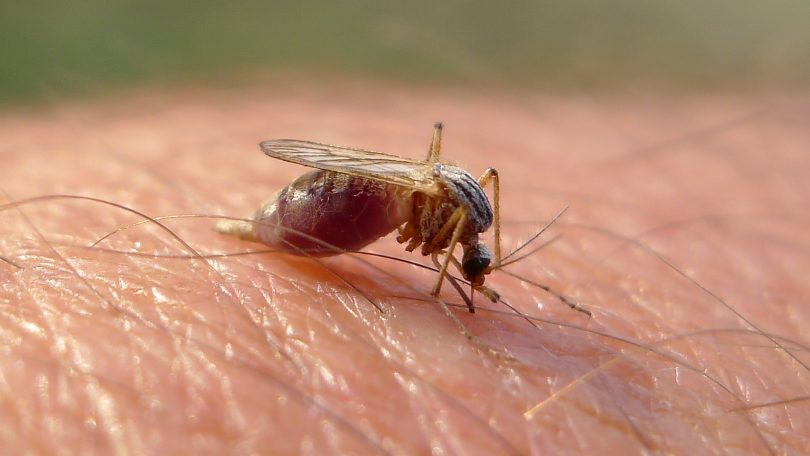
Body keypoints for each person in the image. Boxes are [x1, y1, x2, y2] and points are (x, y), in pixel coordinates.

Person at [0, 86, 806, 454]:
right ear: (469, 244)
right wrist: (441, 246)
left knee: (456, 181)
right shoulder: (456, 212)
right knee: (438, 180)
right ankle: (267, 229)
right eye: (472, 262)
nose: (472, 264)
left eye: (472, 261)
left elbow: (470, 206)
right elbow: (453, 200)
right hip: (356, 192)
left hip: (414, 193)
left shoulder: (471, 216)